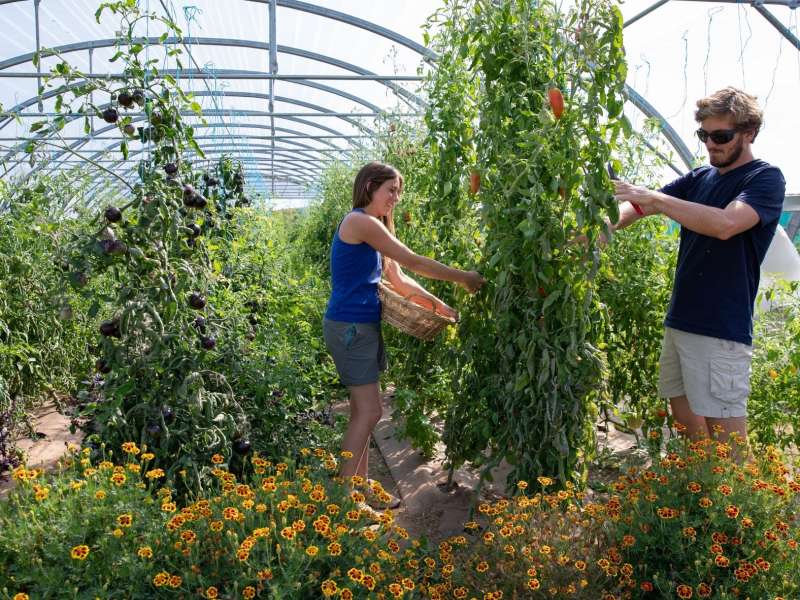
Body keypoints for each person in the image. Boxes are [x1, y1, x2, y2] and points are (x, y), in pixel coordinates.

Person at [610, 87, 785, 445]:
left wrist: (655, 199)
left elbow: (726, 224)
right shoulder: (699, 178)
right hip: (682, 320)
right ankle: (700, 498)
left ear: (749, 132)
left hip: (720, 328)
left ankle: (739, 500)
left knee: (728, 443)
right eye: (704, 135)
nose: (711, 145)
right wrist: (598, 229)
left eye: (721, 136)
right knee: (689, 427)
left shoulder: (764, 179)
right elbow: (639, 207)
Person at [323, 161, 485, 508]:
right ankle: (342, 499)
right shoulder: (360, 222)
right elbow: (413, 261)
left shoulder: (372, 227)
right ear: (369, 186)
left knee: (362, 412)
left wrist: (439, 306)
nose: (395, 198)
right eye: (390, 190)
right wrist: (463, 277)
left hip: (361, 327)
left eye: (398, 191)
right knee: (369, 413)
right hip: (350, 328)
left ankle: (361, 488)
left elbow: (398, 279)